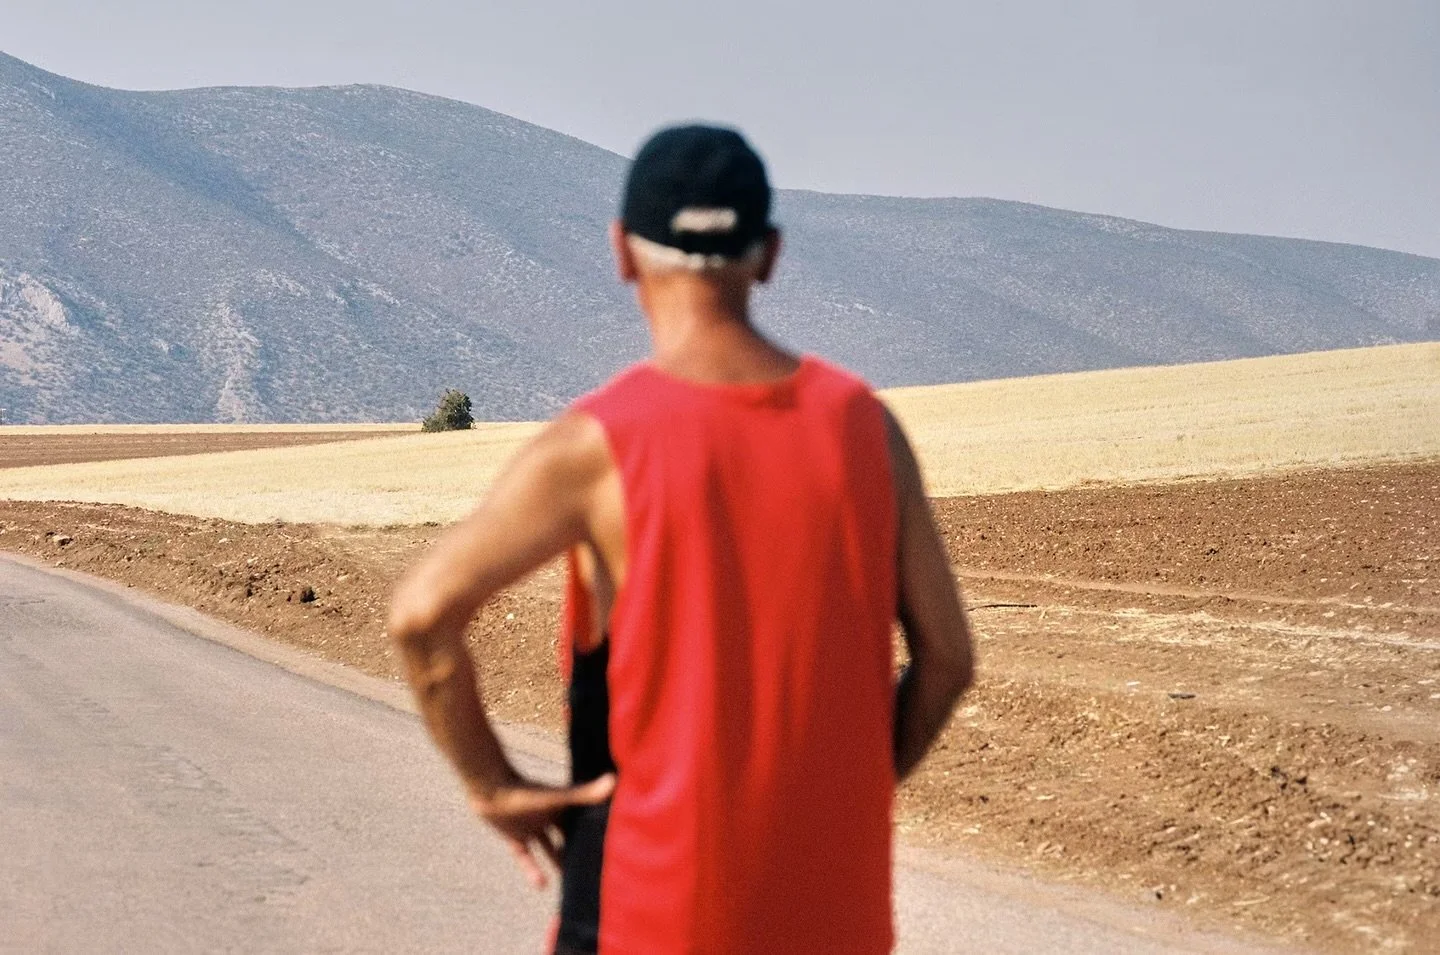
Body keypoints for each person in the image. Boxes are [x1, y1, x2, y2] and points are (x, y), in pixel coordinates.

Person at [388, 125, 974, 955]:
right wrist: (841, 801)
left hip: (649, 917)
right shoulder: (866, 430)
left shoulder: (600, 444)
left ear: (623, 251)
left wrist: (493, 785)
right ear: (768, 255)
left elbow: (422, 614)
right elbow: (947, 660)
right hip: (837, 921)